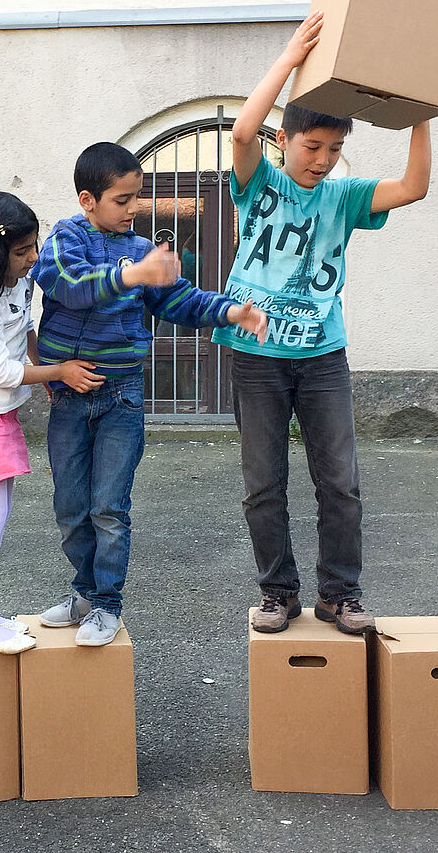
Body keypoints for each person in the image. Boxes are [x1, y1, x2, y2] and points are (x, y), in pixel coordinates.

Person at [220, 11, 431, 637]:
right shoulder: (257, 186)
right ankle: (277, 594)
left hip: (322, 357)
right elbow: (241, 131)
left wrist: (418, 111)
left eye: (334, 150)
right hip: (255, 353)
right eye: (312, 147)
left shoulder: (343, 196)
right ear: (285, 141)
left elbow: (415, 186)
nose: (322, 160)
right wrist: (289, 59)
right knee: (264, 483)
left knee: (340, 482)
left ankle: (340, 594)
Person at [32, 142, 268, 647]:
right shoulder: (61, 240)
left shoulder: (140, 251)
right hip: (70, 399)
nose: (133, 209)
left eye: (137, 198)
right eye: (122, 200)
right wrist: (135, 275)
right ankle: (85, 593)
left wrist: (234, 312)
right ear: (87, 199)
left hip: (122, 397)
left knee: (108, 508)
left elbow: (182, 301)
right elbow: (71, 286)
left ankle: (106, 606)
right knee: (70, 509)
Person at [0, 192, 102, 654]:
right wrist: (59, 371)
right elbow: (0, 372)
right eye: (22, 252)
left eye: (34, 246)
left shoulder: (16, 280)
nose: (34, 258)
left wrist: (42, 360)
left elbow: (24, 330)